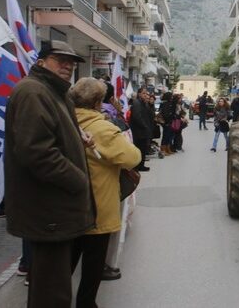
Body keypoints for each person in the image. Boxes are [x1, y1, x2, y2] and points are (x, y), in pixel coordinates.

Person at [4, 40, 95, 307]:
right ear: (41, 62)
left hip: (54, 206)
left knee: (50, 284)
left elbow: (53, 135)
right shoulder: (33, 91)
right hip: (47, 207)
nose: (68, 65)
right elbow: (37, 152)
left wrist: (79, 137)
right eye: (60, 59)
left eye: (72, 61)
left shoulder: (54, 91)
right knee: (51, 290)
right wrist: (79, 179)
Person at [71, 78, 141, 308]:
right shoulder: (103, 128)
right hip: (98, 204)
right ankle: (86, 304)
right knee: (93, 265)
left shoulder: (65, 122)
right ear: (98, 102)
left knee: (67, 261)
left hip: (69, 204)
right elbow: (132, 158)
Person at [130, 88, 152, 171]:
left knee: (143, 149)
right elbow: (137, 117)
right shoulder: (136, 103)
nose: (146, 95)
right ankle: (138, 166)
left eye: (146, 94)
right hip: (139, 131)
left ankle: (141, 165)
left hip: (144, 131)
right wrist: (145, 126)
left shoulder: (144, 103)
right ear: (139, 94)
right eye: (143, 93)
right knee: (139, 149)